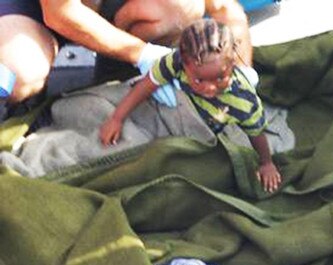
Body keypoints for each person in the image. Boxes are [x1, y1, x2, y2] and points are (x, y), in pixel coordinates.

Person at [99, 19, 282, 192]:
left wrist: (266, 163)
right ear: (184, 65)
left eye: (220, 77)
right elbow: (147, 84)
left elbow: (256, 133)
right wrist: (117, 118)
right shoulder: (175, 60)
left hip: (212, 124)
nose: (209, 87)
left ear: (233, 64)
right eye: (199, 79)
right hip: (183, 103)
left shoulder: (242, 101)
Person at [0, 0, 253, 108]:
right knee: (19, 73)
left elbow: (225, 11)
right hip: (33, 8)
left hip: (107, 8)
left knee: (181, 7)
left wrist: (243, 76)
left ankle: (118, 75)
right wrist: (143, 54)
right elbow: (59, 13)